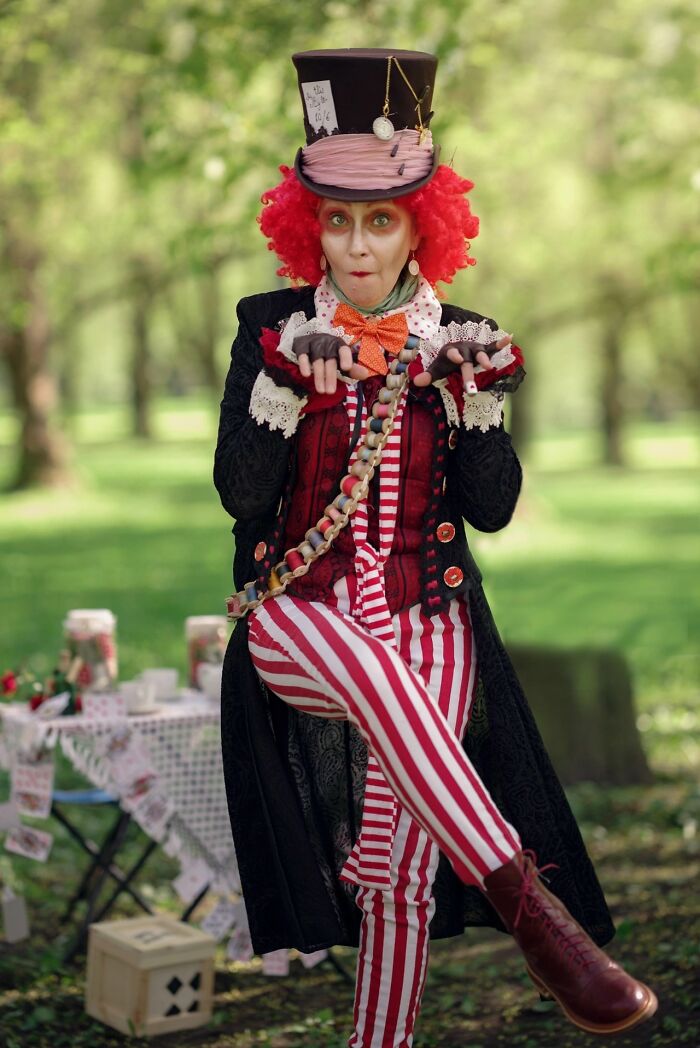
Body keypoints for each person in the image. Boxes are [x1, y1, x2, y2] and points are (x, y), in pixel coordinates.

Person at [215, 48, 657, 1047]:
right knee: (379, 679)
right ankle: (532, 910)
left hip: (433, 618)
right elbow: (238, 494)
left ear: (421, 223)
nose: (358, 246)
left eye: (380, 219)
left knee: (403, 881)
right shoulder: (269, 331)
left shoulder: (465, 338)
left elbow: (491, 511)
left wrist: (481, 405)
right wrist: (284, 388)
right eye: (337, 219)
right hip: (297, 616)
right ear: (309, 224)